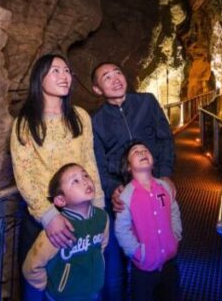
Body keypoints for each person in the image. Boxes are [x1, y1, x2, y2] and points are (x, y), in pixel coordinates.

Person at [11, 54, 105, 300]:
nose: (64, 76)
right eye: (55, 71)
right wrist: (49, 216)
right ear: (38, 78)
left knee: (83, 278)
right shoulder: (25, 124)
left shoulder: (80, 117)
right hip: (45, 217)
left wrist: (98, 206)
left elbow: (89, 162)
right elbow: (24, 173)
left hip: (83, 212)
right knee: (38, 286)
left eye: (66, 71)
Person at [90, 62, 176, 301]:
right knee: (117, 264)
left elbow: (165, 138)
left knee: (163, 250)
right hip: (122, 197)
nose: (115, 79)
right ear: (97, 89)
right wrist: (111, 189)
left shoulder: (146, 102)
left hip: (153, 187)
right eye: (106, 77)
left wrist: (166, 173)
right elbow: (97, 161)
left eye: (118, 73)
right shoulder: (96, 121)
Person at [23, 163, 109, 300]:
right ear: (61, 200)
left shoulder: (102, 218)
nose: (85, 181)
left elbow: (102, 246)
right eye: (75, 181)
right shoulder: (58, 230)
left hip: (93, 294)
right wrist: (49, 286)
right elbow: (32, 267)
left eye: (85, 175)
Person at [114, 142, 181, 301]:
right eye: (135, 152)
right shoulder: (126, 196)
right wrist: (137, 253)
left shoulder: (164, 186)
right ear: (128, 167)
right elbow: (121, 229)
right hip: (143, 268)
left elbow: (174, 211)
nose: (142, 152)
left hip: (170, 262)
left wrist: (176, 236)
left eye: (145, 150)